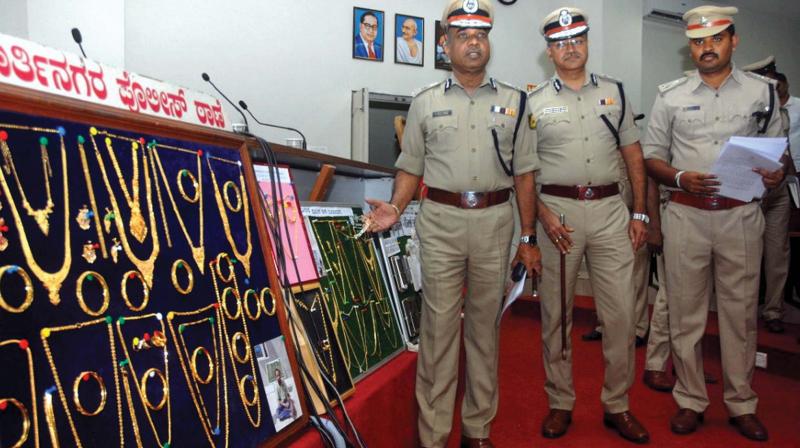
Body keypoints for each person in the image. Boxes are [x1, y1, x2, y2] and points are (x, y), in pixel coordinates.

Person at [364, 1, 541, 446]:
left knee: (485, 332)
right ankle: (434, 435)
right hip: (439, 223)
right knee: (439, 333)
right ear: (446, 45)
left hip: (496, 223)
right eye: (463, 35)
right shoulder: (425, 103)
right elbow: (411, 167)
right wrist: (396, 207)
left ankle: (476, 429)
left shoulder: (515, 101)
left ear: (488, 42)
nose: (473, 42)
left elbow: (525, 174)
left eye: (480, 34)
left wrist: (526, 236)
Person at [642, 6, 787, 441]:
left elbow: (776, 152)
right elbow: (652, 156)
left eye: (716, 39)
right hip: (685, 214)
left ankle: (741, 402)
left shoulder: (762, 94)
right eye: (699, 41)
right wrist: (681, 177)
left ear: (733, 41)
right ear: (690, 47)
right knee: (685, 316)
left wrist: (776, 171)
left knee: (740, 316)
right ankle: (690, 400)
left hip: (740, 215)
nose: (707, 47)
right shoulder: (669, 94)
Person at [529, 7, 649, 444]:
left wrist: (639, 213)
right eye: (560, 42)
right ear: (549, 51)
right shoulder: (534, 101)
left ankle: (618, 404)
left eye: (577, 39)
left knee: (621, 314)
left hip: (610, 212)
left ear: (587, 43)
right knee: (556, 315)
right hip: (557, 215)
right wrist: (541, 217)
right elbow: (524, 171)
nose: (570, 47)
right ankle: (560, 401)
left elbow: (634, 155)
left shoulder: (615, 92)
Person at [741, 58, 793, 334]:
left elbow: (784, 149)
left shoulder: (781, 111)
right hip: (752, 190)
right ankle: (746, 311)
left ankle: (773, 310)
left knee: (777, 254)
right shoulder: (744, 105)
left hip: (778, 191)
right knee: (748, 255)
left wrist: (783, 171)